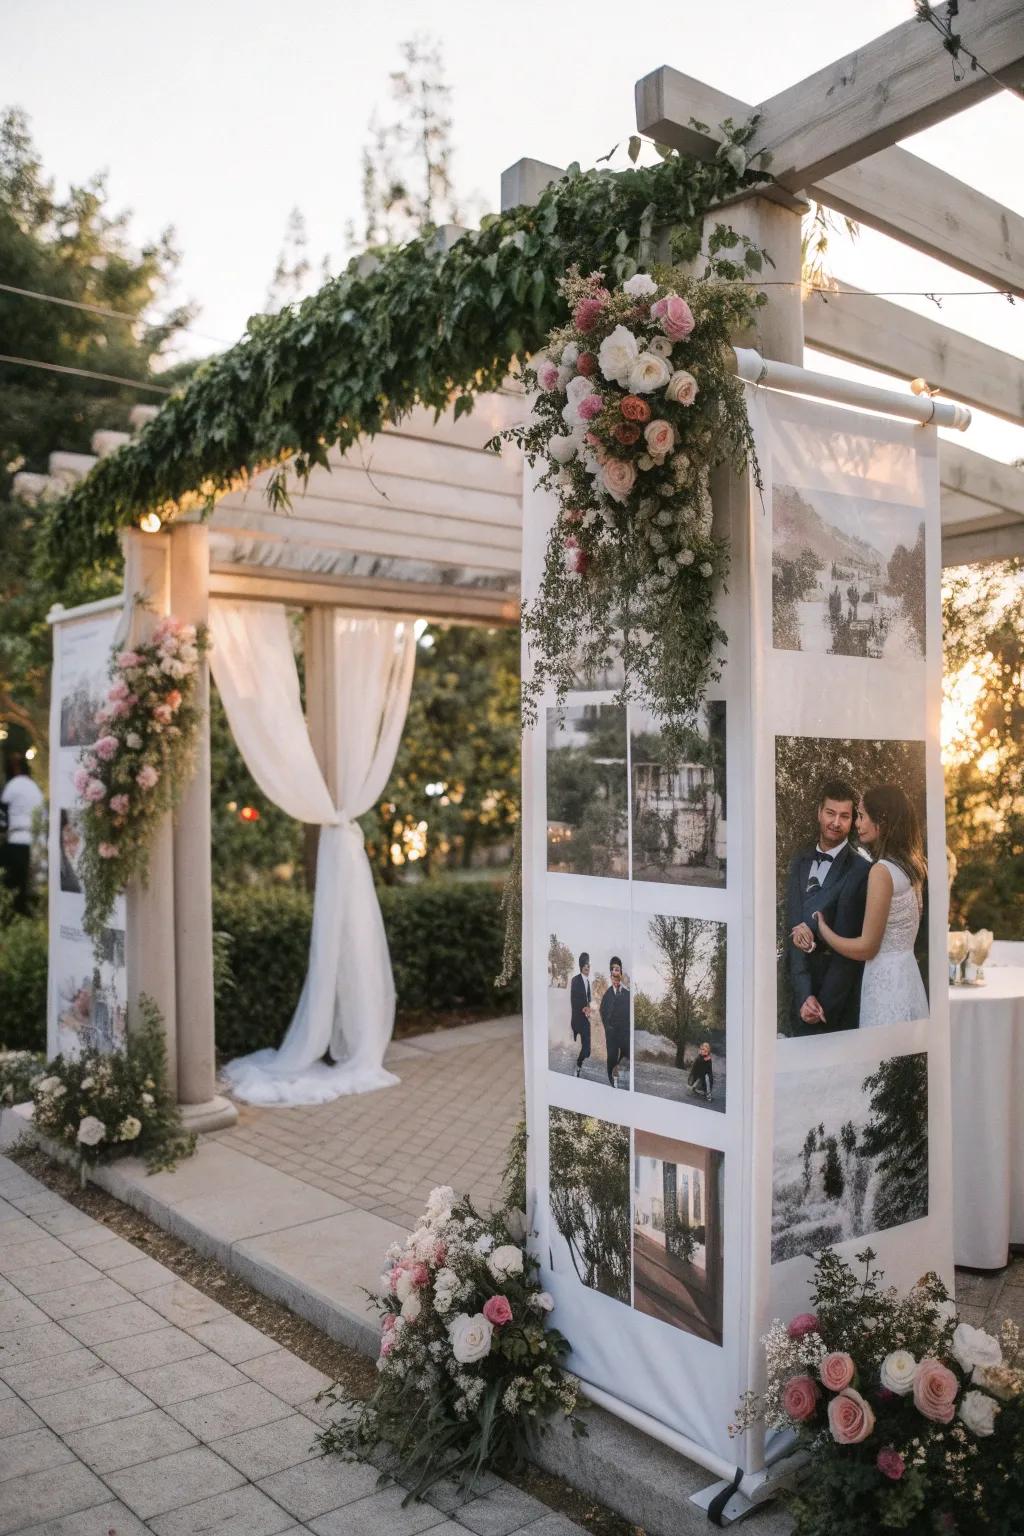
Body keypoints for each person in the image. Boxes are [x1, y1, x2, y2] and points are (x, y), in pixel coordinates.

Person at [796, 784, 928, 1028]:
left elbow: (867, 948)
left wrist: (823, 929)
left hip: (884, 984)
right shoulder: (913, 866)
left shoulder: (881, 871)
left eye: (862, 816)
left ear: (882, 821)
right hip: (908, 977)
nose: (857, 823)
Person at [785, 779, 871, 1033]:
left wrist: (820, 1006)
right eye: (830, 813)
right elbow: (793, 929)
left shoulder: (861, 871)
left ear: (853, 820)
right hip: (799, 999)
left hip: (834, 1006)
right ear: (818, 813)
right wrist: (803, 997)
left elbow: (850, 954)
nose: (835, 822)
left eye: (844, 816)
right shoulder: (799, 862)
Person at [1, 754, 45, 917]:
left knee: (14, 890)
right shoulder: (35, 787)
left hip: (17, 841)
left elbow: (3, 813)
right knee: (31, 891)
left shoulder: (13, 785)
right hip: (36, 843)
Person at [600, 955, 630, 1088]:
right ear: (611, 975)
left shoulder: (627, 994)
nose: (615, 976)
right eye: (613, 972)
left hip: (624, 1033)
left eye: (618, 971)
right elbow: (602, 1012)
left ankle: (619, 1074)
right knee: (611, 1057)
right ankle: (612, 1083)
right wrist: (607, 1028)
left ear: (621, 973)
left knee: (627, 1055)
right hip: (611, 1033)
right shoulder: (607, 995)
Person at [570, 952, 593, 1077]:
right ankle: (578, 1067)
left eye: (588, 964)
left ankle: (579, 1062)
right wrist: (583, 1008)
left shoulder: (588, 982)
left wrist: (589, 1008)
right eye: (585, 964)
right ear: (581, 966)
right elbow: (573, 999)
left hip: (585, 1019)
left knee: (588, 1051)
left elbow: (588, 1000)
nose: (587, 967)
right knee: (585, 1048)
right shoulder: (575, 980)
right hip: (578, 1018)